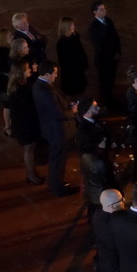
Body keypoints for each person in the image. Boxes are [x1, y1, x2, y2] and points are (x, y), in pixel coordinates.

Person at [33, 61, 78, 197]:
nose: (56, 76)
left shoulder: (39, 85)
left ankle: (55, 183)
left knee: (56, 158)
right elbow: (57, 114)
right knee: (58, 160)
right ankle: (58, 187)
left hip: (51, 129)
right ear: (47, 74)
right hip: (57, 131)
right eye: (54, 73)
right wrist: (73, 111)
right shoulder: (45, 90)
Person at [8, 61, 42, 185]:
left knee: (31, 149)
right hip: (25, 124)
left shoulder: (19, 86)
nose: (30, 70)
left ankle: (31, 172)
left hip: (26, 123)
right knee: (29, 149)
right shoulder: (20, 90)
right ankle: (30, 173)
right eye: (27, 68)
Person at [87, 1, 121, 107]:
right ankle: (105, 102)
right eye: (101, 9)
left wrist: (117, 52)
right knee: (104, 82)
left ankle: (110, 99)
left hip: (112, 58)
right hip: (103, 60)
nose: (104, 11)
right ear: (95, 12)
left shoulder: (108, 21)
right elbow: (99, 45)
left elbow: (115, 37)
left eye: (104, 8)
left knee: (111, 80)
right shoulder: (93, 27)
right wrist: (111, 53)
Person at [56, 16, 88, 97]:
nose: (73, 26)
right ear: (66, 27)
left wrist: (84, 63)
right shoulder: (61, 42)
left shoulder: (75, 36)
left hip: (79, 70)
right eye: (71, 25)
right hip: (70, 73)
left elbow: (81, 50)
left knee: (81, 90)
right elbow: (62, 61)